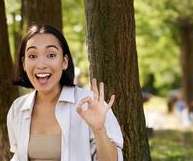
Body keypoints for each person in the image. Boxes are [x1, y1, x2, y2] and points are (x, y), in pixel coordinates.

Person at [7, 25, 123, 161]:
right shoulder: (18, 108)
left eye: (51, 55)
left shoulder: (89, 103)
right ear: (24, 63)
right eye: (32, 56)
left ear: (64, 62)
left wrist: (99, 130)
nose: (41, 64)